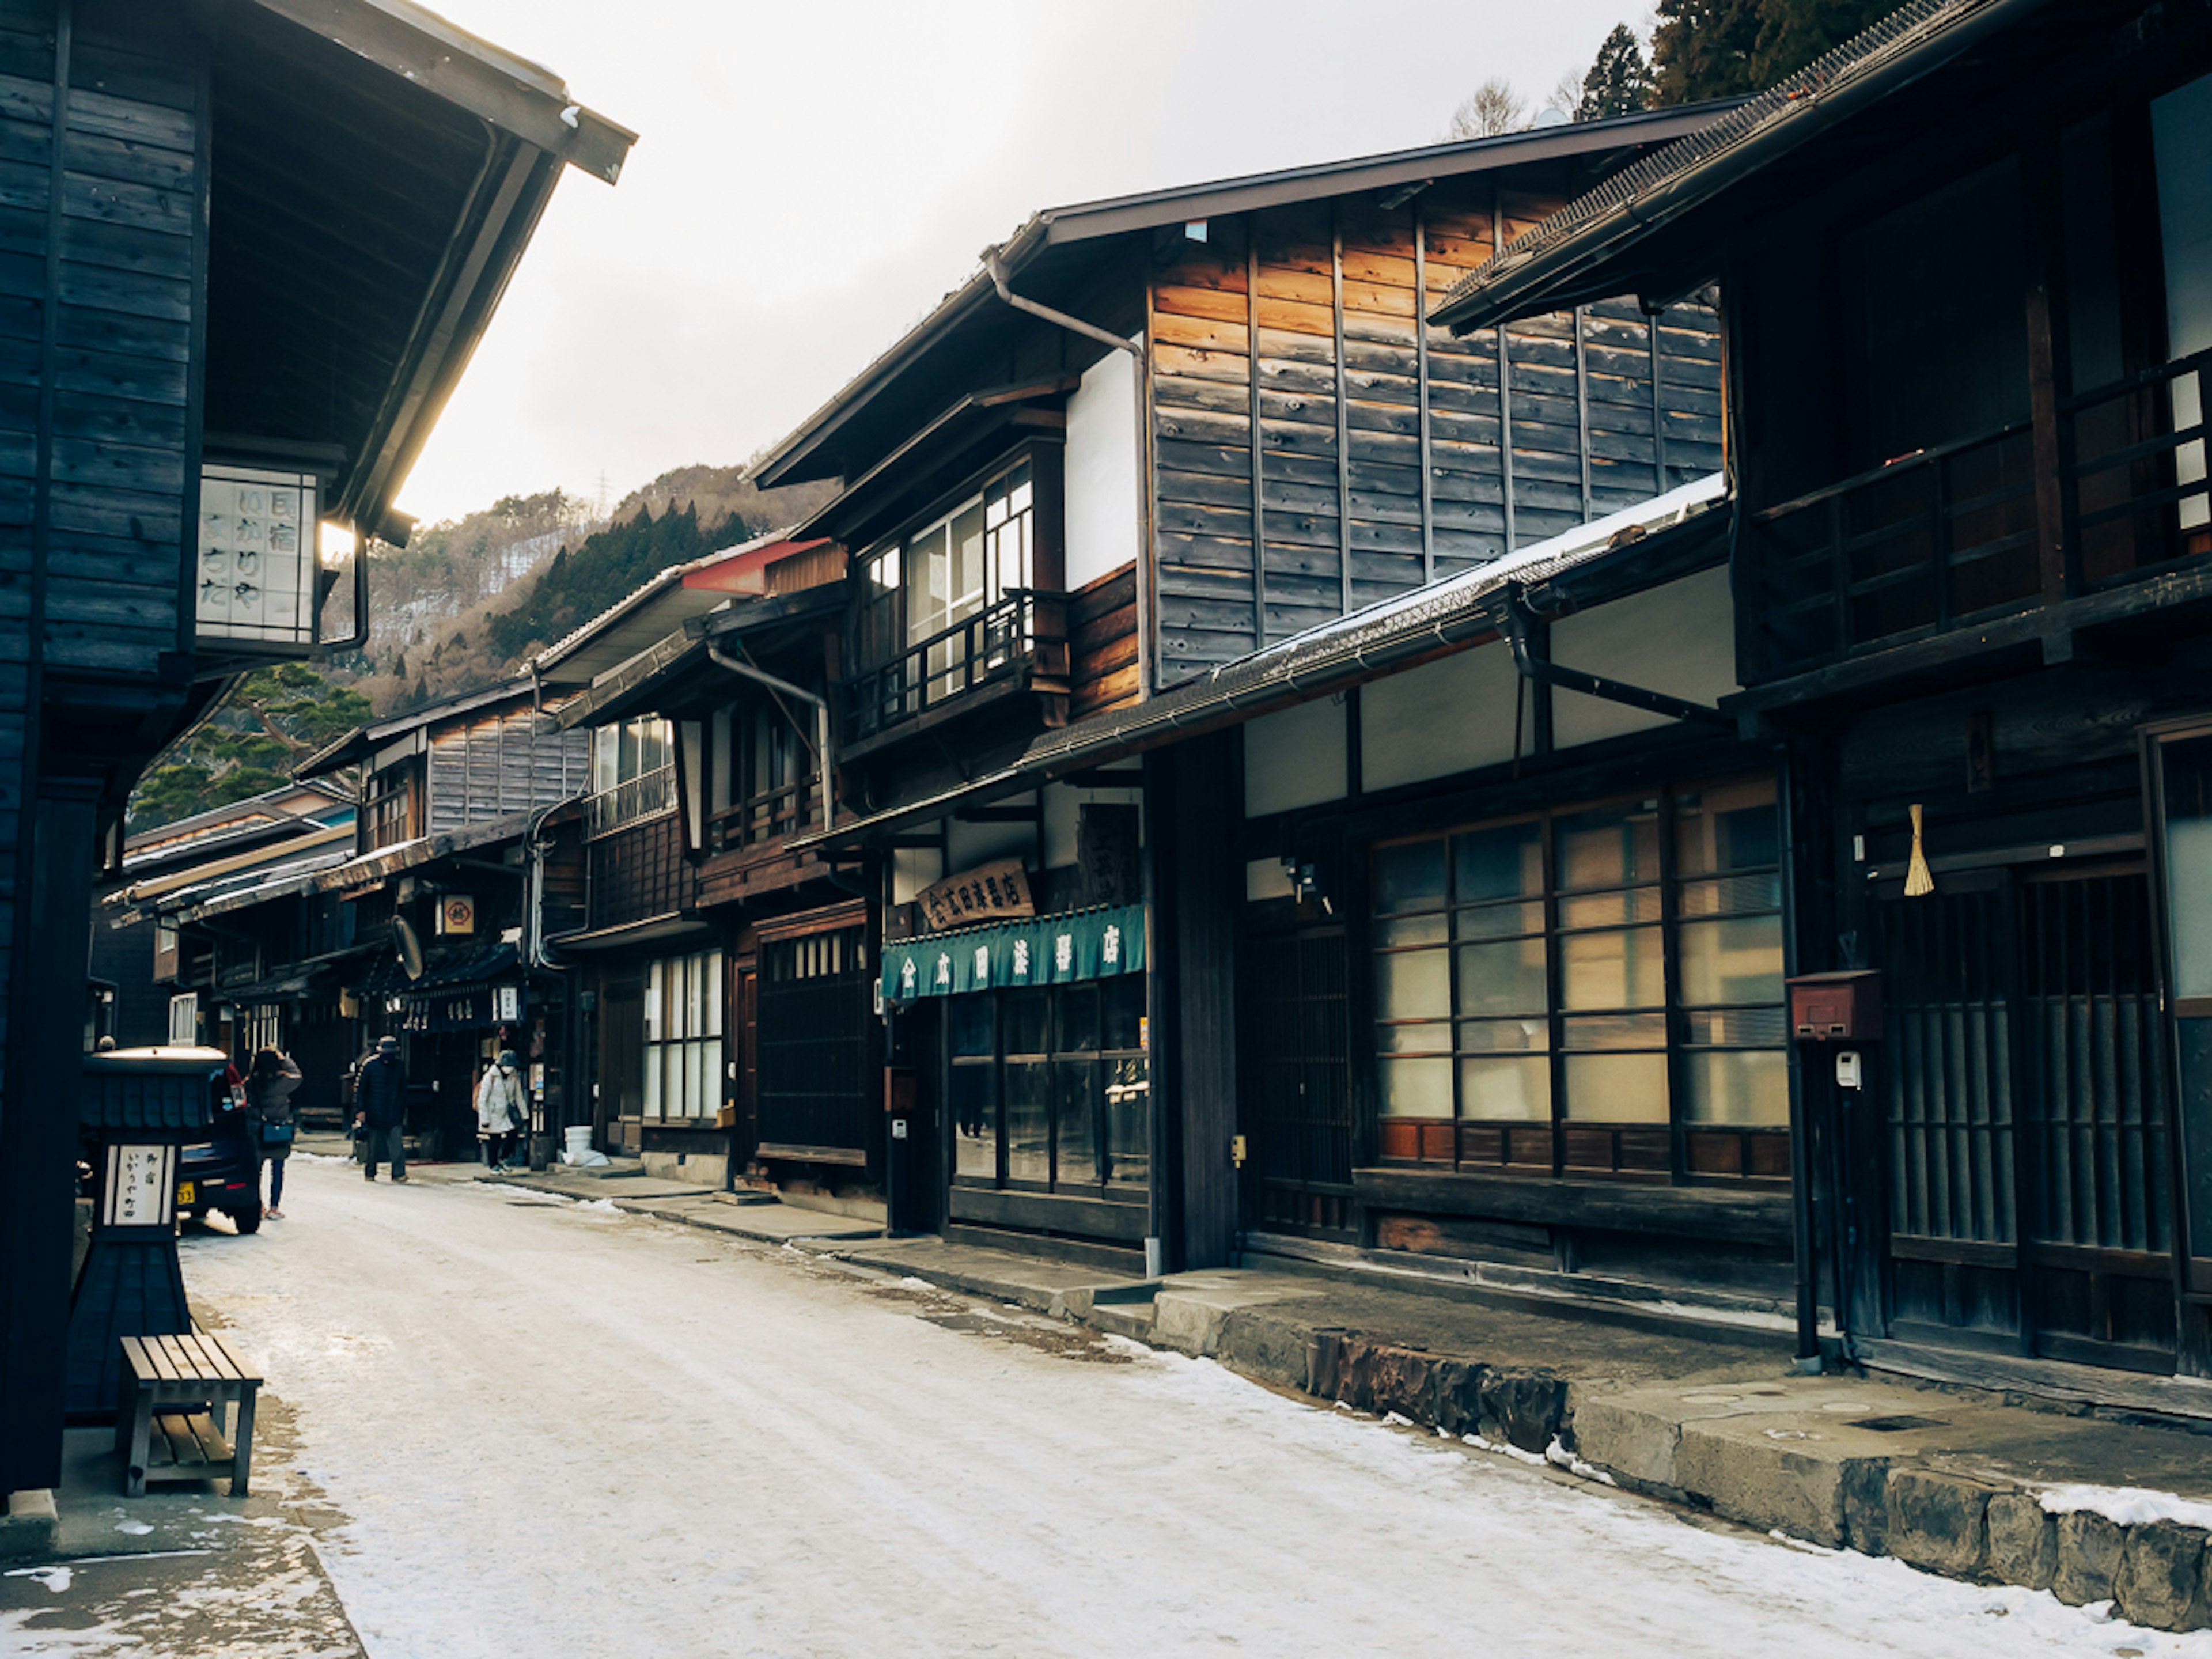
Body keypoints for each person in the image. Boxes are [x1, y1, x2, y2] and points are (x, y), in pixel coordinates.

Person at [245, 1046, 302, 1218]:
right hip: (277, 1129)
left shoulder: (250, 1082)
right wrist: (284, 1059)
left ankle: (258, 1205)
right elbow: (298, 1076)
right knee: (277, 1170)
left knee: (256, 1171)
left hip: (257, 1130)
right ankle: (274, 1207)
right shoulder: (283, 1081)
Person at [354, 1035, 407, 1183]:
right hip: (374, 1112)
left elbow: (403, 1090)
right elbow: (361, 1089)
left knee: (396, 1147)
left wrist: (402, 1109)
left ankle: (398, 1174)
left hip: (393, 1110)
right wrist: (361, 1110)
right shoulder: (370, 1065)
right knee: (373, 1148)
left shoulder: (399, 1067)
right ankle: (370, 1172)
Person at [475, 1048, 527, 1173]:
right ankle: (494, 1165)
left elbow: (518, 1096)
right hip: (493, 1113)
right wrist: (484, 1118)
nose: (510, 1068)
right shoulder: (491, 1077)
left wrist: (525, 1115)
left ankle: (503, 1159)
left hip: (506, 1112)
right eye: (508, 1066)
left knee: (513, 1135)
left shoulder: (514, 1077)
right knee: (495, 1139)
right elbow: (483, 1098)